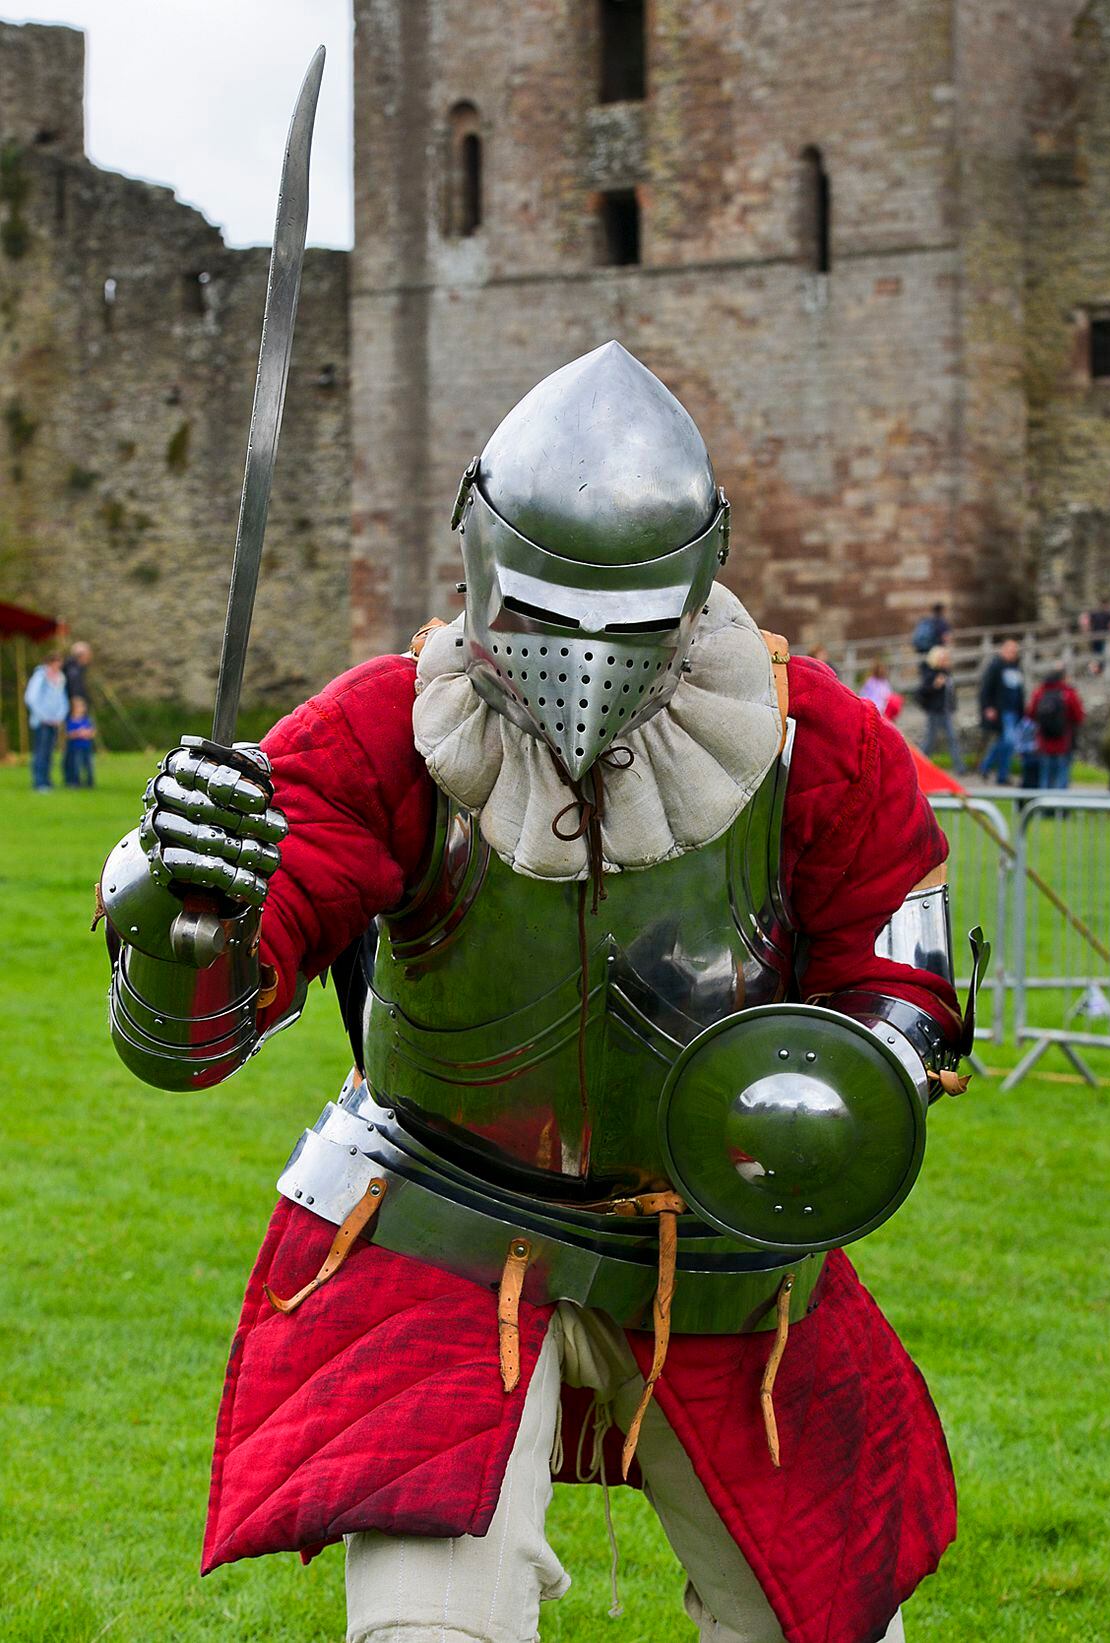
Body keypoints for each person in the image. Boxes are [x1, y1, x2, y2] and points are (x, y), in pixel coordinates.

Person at [98, 344, 974, 1643]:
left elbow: (900, 966)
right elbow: (208, 1010)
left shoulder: (813, 743)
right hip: (437, 1229)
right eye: (544, 614)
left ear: (696, 582)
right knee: (424, 1627)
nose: (580, 658)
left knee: (829, 1618)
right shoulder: (384, 731)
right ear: (478, 560)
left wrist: (872, 1066)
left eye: (623, 625)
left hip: (719, 1245)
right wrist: (180, 905)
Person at [1027, 666, 1085, 790]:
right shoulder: (1068, 694)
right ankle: (1060, 807)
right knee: (1061, 776)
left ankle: (1043, 806)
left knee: (1045, 776)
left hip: (1044, 740)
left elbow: (1030, 713)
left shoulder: (1040, 692)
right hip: (1064, 741)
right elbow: (1079, 716)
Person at [977, 637, 1025, 785]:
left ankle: (989, 767)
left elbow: (1020, 690)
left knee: (1005, 743)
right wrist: (988, 707)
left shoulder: (1016, 667)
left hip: (1014, 710)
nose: (1012, 653)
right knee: (1009, 742)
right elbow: (985, 689)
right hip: (1002, 710)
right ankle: (999, 773)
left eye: (1014, 651)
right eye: (1010, 650)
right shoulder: (995, 667)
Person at [915, 645, 965, 773]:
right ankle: (917, 764)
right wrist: (934, 686)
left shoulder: (947, 673)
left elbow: (950, 693)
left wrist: (953, 706)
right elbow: (921, 692)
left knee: (952, 738)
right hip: (934, 712)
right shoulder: (930, 673)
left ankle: (960, 768)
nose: (945, 661)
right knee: (930, 741)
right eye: (943, 659)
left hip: (946, 711)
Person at [23, 652, 68, 792]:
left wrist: (60, 716)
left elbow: (62, 699)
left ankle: (47, 780)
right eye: (57, 662)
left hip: (54, 721)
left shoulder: (60, 678)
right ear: (50, 663)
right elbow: (31, 698)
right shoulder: (40, 677)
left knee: (49, 752)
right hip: (42, 721)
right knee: (40, 752)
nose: (59, 665)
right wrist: (44, 716)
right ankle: (39, 781)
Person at [63, 695, 97, 788]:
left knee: (89, 765)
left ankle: (90, 782)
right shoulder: (71, 721)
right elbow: (68, 734)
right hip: (76, 748)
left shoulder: (87, 720)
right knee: (76, 765)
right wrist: (78, 733)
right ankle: (75, 782)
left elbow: (93, 732)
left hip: (86, 747)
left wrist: (87, 733)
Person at [64, 639, 93, 705]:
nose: (90, 656)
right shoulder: (74, 672)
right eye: (89, 654)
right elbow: (76, 697)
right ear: (82, 655)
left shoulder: (77, 668)